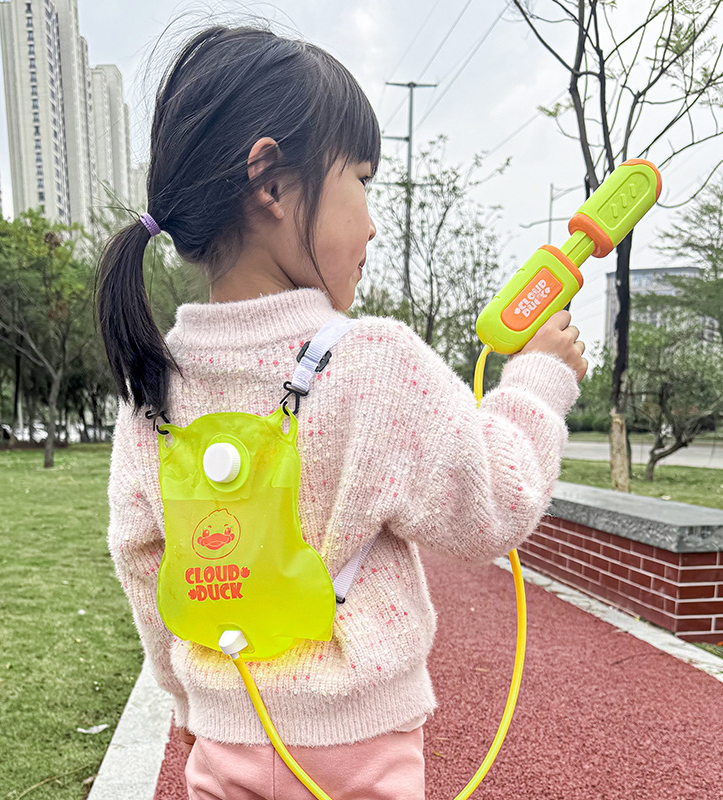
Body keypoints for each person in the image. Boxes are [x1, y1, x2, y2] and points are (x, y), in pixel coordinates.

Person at [97, 24, 586, 800]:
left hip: (226, 737)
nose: (372, 221)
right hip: (359, 751)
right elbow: (495, 505)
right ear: (272, 182)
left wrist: (189, 701)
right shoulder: (375, 361)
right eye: (361, 179)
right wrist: (537, 383)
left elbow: (144, 560)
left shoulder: (152, 383)